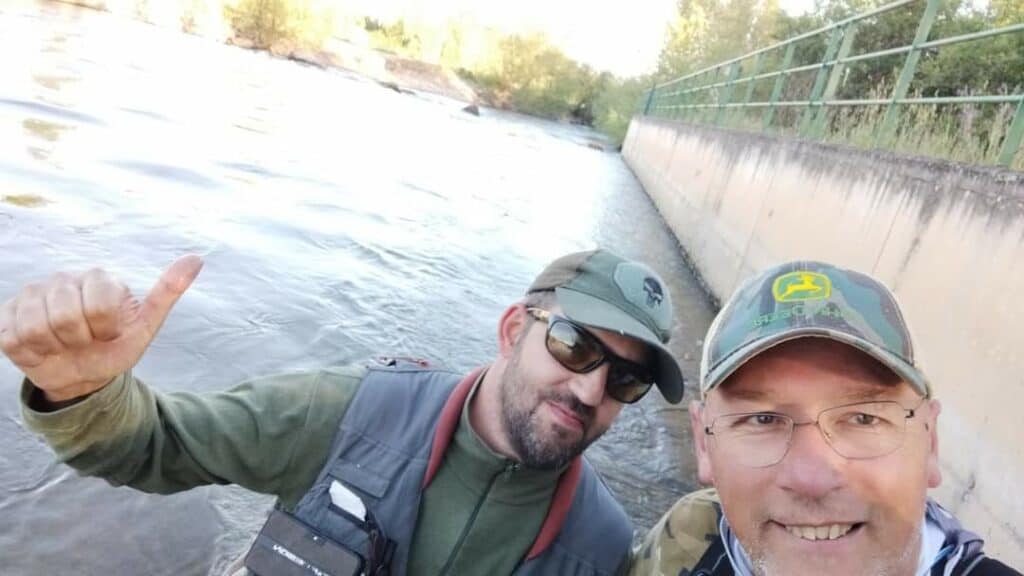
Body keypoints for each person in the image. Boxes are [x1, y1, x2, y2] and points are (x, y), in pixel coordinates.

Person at [1, 249, 686, 576]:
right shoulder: (347, 413)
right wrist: (85, 393)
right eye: (573, 346)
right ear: (513, 330)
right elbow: (151, 446)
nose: (591, 392)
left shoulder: (601, 549)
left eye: (626, 380)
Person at [630, 261, 1021, 576]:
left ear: (931, 443)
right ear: (703, 444)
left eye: (864, 418)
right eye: (763, 419)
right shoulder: (681, 542)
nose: (811, 480)